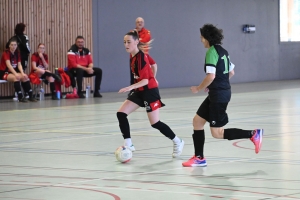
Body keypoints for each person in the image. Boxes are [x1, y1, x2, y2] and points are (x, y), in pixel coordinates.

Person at [182, 24, 263, 167]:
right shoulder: (223, 51)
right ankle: (199, 158)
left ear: (208, 38)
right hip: (219, 92)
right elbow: (231, 73)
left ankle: (253, 134)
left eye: (202, 37)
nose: (201, 40)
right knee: (197, 121)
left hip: (219, 96)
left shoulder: (211, 52)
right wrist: (215, 85)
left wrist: (199, 88)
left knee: (217, 133)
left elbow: (211, 75)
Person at [117, 30, 184, 158]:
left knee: (155, 123)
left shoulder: (141, 57)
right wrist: (153, 76)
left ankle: (178, 141)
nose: (126, 44)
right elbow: (154, 64)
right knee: (121, 113)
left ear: (136, 42)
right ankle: (128, 143)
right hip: (140, 91)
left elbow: (145, 80)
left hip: (149, 92)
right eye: (124, 42)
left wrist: (131, 87)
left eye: (129, 42)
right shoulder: (132, 55)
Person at [128, 17, 157, 95]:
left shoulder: (147, 32)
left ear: (143, 23)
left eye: (141, 22)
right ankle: (133, 90)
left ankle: (149, 85)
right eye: (138, 22)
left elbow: (146, 40)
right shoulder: (132, 32)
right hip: (133, 57)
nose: (140, 23)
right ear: (135, 23)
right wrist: (138, 39)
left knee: (146, 72)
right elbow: (131, 41)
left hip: (144, 56)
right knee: (134, 74)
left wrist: (137, 39)